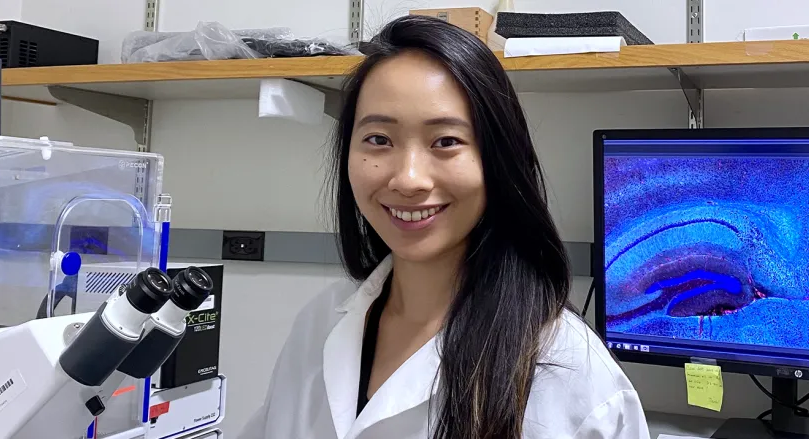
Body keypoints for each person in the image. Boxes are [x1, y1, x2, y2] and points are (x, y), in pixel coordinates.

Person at [238, 15, 650, 439]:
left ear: (498, 160)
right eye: (379, 139)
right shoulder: (319, 324)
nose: (408, 178)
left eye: (446, 142)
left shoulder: (573, 374)